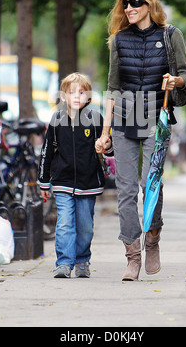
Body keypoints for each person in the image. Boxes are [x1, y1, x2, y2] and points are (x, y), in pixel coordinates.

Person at [95, 0, 186, 281]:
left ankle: (153, 238)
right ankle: (132, 254)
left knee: (151, 185)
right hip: (125, 118)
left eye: (135, 2)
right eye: (125, 3)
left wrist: (175, 82)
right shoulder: (118, 40)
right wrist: (104, 131)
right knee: (124, 191)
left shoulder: (170, 35)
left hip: (155, 117)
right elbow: (112, 89)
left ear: (149, 3)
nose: (129, 8)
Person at [38, 72, 112, 278]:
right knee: (64, 223)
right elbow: (47, 151)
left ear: (88, 96)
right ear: (63, 97)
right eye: (72, 93)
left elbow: (109, 148)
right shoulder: (56, 119)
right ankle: (63, 262)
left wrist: (105, 146)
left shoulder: (95, 118)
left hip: (88, 182)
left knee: (85, 225)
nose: (77, 96)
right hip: (62, 181)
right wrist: (44, 181)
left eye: (82, 92)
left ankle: (81, 260)